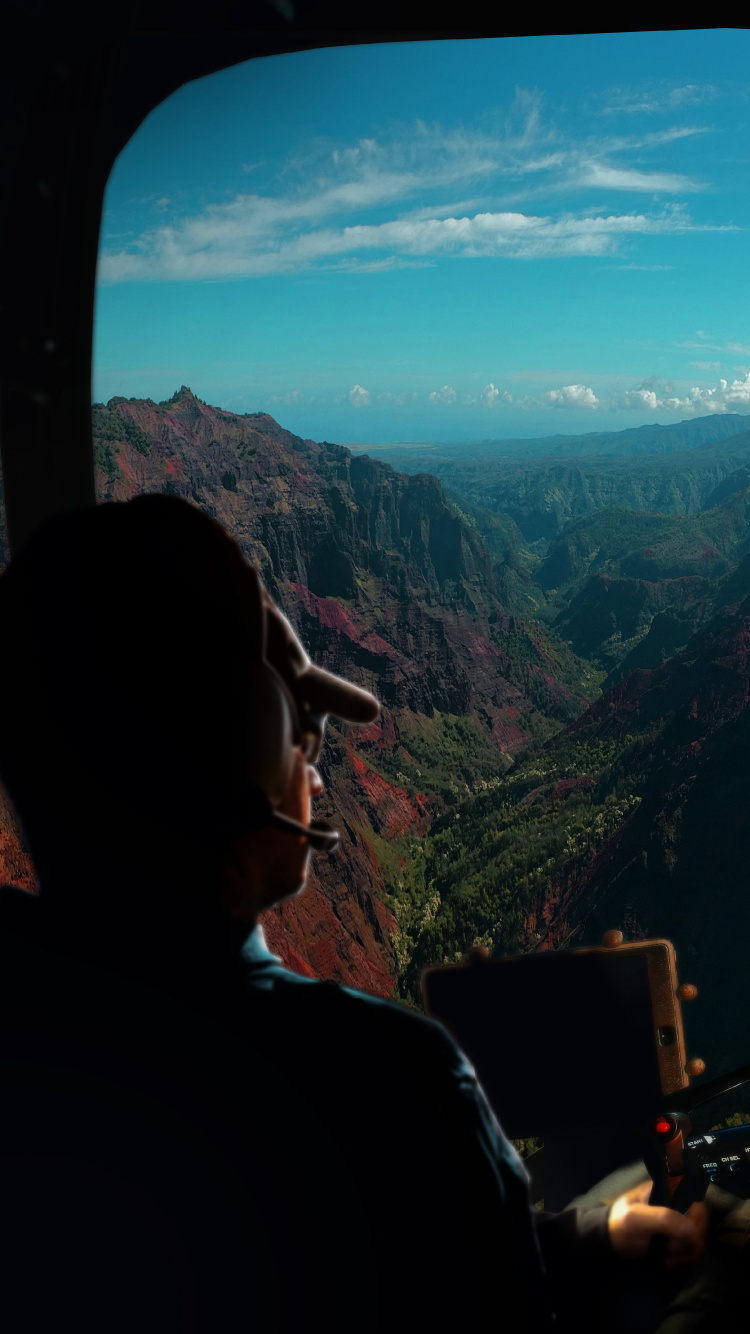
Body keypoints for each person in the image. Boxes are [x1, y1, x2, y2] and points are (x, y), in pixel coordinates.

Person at [0, 494, 742, 1333]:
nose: (319, 762)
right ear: (245, 743)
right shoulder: (387, 1084)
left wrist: (590, 1239)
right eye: (301, 726)